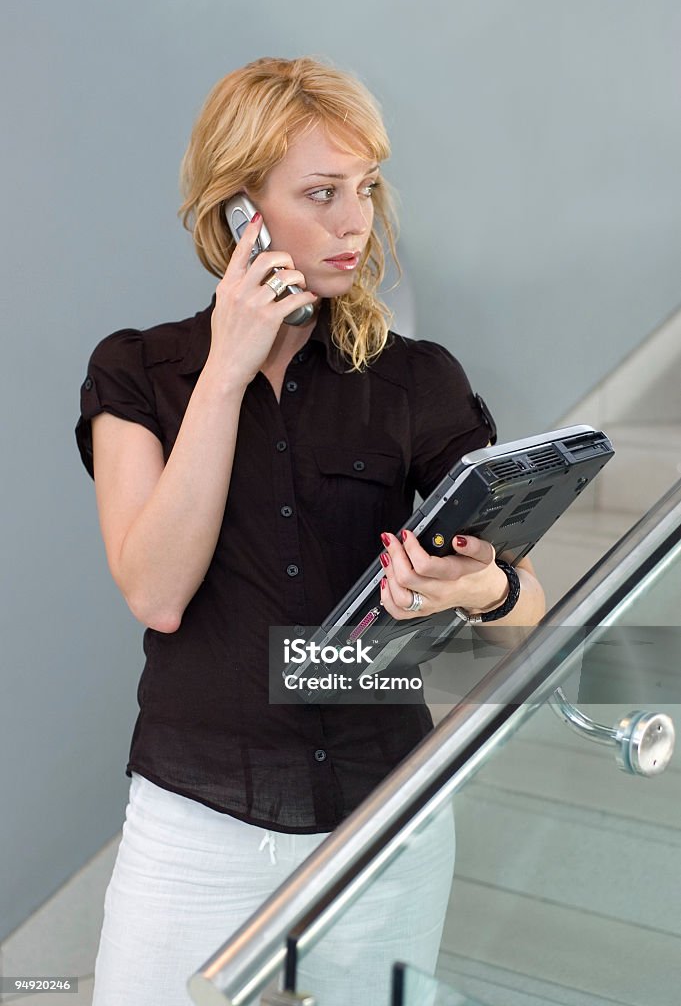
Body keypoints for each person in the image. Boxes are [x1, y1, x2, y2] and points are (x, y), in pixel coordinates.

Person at [75, 56, 545, 1006]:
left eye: (364, 190)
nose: (353, 222)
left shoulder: (416, 378)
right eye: (320, 192)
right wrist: (228, 367)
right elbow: (155, 591)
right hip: (198, 812)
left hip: (385, 817)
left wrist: (480, 588)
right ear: (237, 209)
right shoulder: (138, 373)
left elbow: (525, 608)